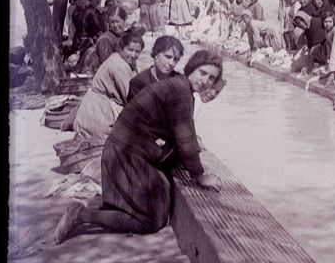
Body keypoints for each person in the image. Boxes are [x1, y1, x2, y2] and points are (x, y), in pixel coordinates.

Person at [55, 50, 224, 243]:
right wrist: (200, 175)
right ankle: (81, 215)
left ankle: (93, 213)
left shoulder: (178, 86)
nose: (205, 81)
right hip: (125, 156)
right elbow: (186, 141)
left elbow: (182, 133)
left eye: (211, 78)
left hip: (122, 152)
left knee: (156, 206)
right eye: (203, 73)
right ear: (192, 68)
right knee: (150, 221)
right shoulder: (181, 92)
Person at [73, 32, 144, 143]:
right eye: (130, 50)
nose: (133, 55)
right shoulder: (118, 65)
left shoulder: (122, 59)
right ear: (122, 48)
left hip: (97, 105)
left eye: (137, 51)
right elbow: (130, 94)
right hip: (99, 111)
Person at [128, 36, 184, 101]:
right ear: (155, 54)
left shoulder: (180, 81)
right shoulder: (139, 83)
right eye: (168, 57)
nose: (171, 63)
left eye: (176, 59)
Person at [82, 5, 129, 73]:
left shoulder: (126, 37)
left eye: (118, 21)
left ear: (124, 20)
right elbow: (109, 66)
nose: (115, 25)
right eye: (112, 22)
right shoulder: (105, 40)